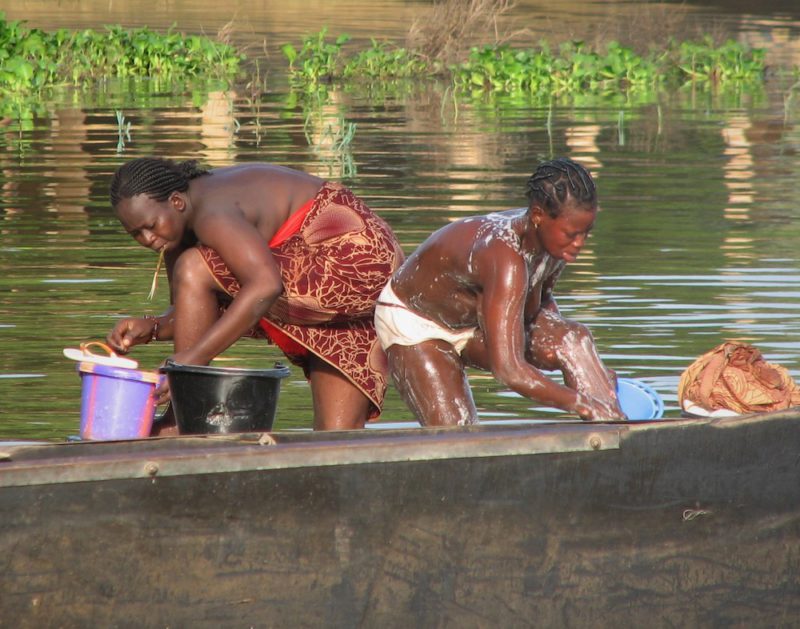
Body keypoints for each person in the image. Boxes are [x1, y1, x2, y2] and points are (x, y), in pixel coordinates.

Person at [106, 158, 404, 431]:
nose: (147, 239)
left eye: (151, 226)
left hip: (355, 260)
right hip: (353, 291)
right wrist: (154, 326)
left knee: (195, 267)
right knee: (335, 441)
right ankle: (182, 417)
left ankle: (179, 419)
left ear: (176, 202)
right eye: (135, 234)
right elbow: (195, 313)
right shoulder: (176, 231)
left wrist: (192, 361)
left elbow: (264, 286)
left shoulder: (212, 214)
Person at [374, 157, 626, 425]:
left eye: (586, 233)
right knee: (457, 435)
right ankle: (598, 418)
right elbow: (509, 370)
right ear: (538, 216)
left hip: (477, 321)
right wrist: (580, 402)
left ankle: (614, 430)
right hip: (417, 324)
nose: (579, 243)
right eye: (571, 234)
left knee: (575, 341)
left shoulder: (555, 244)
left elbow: (542, 307)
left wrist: (588, 371)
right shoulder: (505, 259)